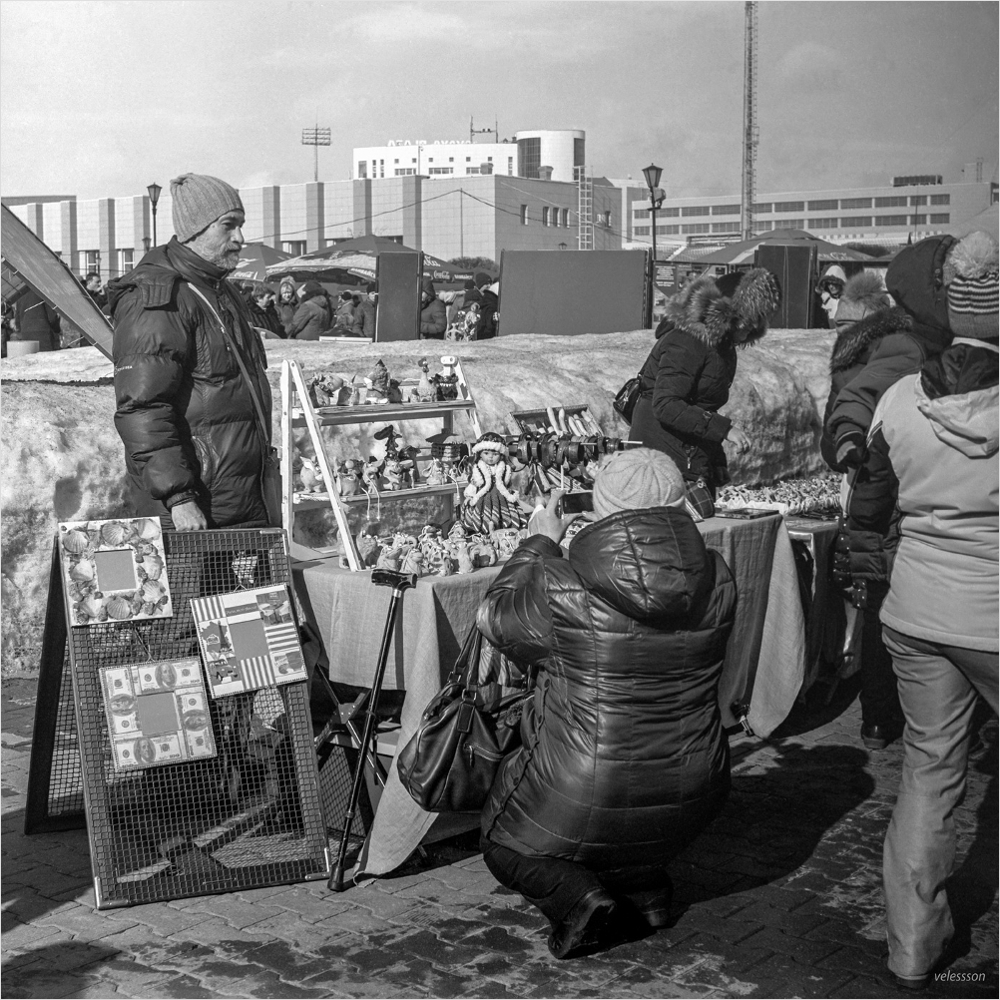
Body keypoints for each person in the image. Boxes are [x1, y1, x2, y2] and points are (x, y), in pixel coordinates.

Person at [478, 447, 737, 959]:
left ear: (601, 506)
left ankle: (580, 899)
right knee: (632, 813)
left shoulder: (561, 582)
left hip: (583, 781)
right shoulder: (718, 574)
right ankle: (647, 891)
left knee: (501, 839)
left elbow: (495, 619)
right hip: (697, 781)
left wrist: (539, 542)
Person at [845, 230, 998, 989]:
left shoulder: (902, 399)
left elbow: (868, 508)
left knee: (929, 774)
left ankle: (910, 946)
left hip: (917, 612)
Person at [828, 236, 958, 749]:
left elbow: (859, 399)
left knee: (885, 606)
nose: (834, 330)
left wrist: (848, 441)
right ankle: (890, 717)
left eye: (840, 323)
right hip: (879, 483)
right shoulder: (893, 346)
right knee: (884, 606)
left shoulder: (898, 346)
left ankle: (886, 717)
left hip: (886, 490)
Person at [108, 172, 273, 530]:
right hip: (192, 511)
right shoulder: (158, 299)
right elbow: (143, 407)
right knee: (195, 589)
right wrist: (179, 498)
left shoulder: (218, 290)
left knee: (251, 589)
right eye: (228, 226)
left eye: (241, 225)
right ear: (195, 229)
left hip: (239, 501)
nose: (240, 238)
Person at [820, 270, 903, 748]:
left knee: (874, 600)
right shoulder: (913, 351)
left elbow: (832, 447)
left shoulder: (846, 362)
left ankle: (876, 718)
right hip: (908, 491)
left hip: (866, 492)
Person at [630, 268, 781, 497]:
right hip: (659, 463)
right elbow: (666, 404)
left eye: (759, 318)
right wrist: (724, 429)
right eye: (749, 317)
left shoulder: (721, 345)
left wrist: (714, 459)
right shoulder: (687, 341)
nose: (753, 324)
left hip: (685, 456)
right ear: (727, 313)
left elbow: (701, 408)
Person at [11, 286, 61, 352]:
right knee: (45, 360)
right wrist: (57, 329)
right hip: (43, 335)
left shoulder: (20, 294)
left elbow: (17, 321)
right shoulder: (43, 291)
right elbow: (52, 318)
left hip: (26, 335)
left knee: (31, 360)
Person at [475, 272, 498, 340]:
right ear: (480, 285)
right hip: (479, 334)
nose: (489, 285)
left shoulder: (491, 297)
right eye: (486, 284)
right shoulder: (474, 298)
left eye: (490, 283)